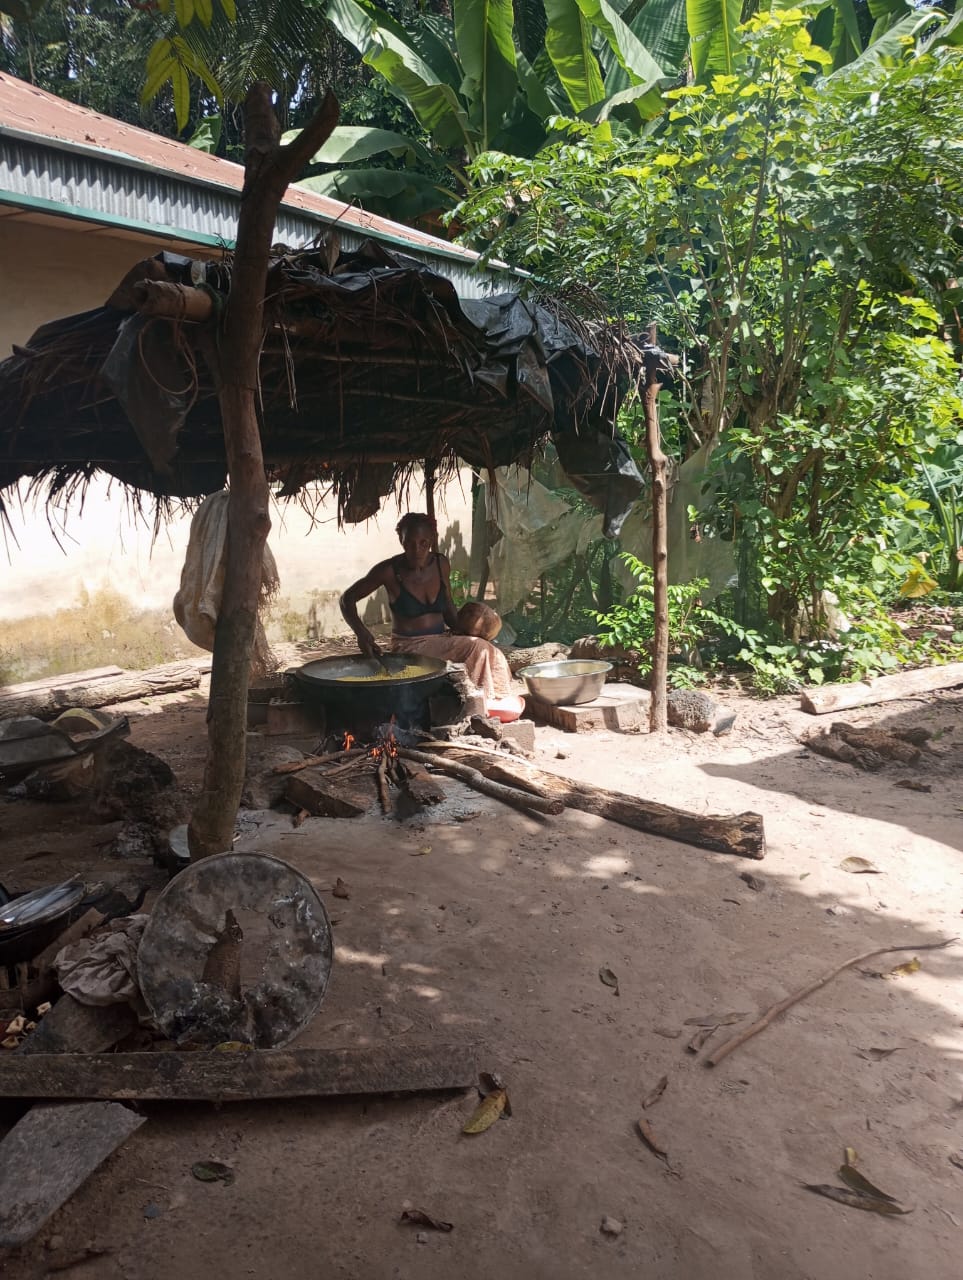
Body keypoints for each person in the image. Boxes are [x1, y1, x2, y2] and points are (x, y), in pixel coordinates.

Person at [339, 513, 512, 703]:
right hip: (409, 646)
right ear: (401, 540)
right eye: (409, 543)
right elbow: (347, 599)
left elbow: (447, 605)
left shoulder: (440, 564)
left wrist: (465, 628)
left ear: (431, 540)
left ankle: (496, 701)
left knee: (492, 652)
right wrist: (362, 633)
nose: (416, 550)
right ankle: (478, 705)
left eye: (423, 543)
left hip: (441, 639)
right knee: (477, 648)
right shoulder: (389, 571)